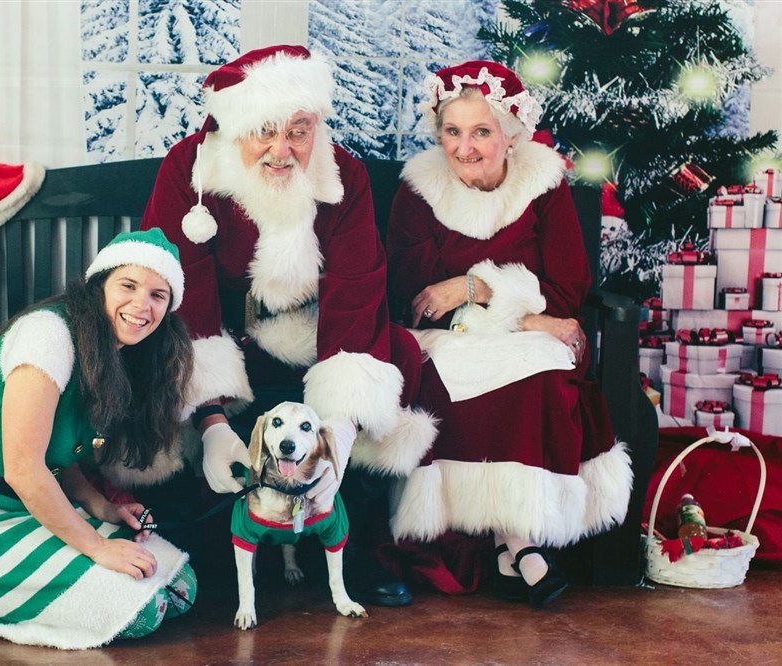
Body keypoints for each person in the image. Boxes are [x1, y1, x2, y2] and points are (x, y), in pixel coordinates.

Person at [135, 44, 437, 607]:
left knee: (396, 354)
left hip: (313, 334)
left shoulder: (343, 173)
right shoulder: (191, 169)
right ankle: (196, 545)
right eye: (265, 131)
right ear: (238, 126)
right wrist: (211, 421)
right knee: (153, 359)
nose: (283, 150)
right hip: (215, 333)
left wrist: (340, 430)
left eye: (299, 131)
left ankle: (355, 545)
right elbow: (176, 287)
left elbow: (355, 286)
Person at [384, 61, 634, 608]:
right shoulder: (417, 192)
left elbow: (567, 289)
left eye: (481, 132)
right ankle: (519, 544)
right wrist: (519, 309)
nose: (465, 147)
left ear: (510, 134)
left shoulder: (542, 184)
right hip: (450, 339)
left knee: (542, 372)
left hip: (531, 335)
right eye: (452, 131)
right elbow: (420, 298)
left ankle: (511, 541)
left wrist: (475, 286)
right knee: (458, 377)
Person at [0, 229, 198, 648]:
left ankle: (3, 597)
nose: (141, 306)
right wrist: (97, 546)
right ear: (100, 285)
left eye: (158, 295)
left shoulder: (109, 351)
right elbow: (24, 469)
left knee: (179, 585)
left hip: (30, 512)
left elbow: (58, 453)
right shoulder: (49, 334)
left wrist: (100, 506)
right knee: (143, 612)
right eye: (128, 286)